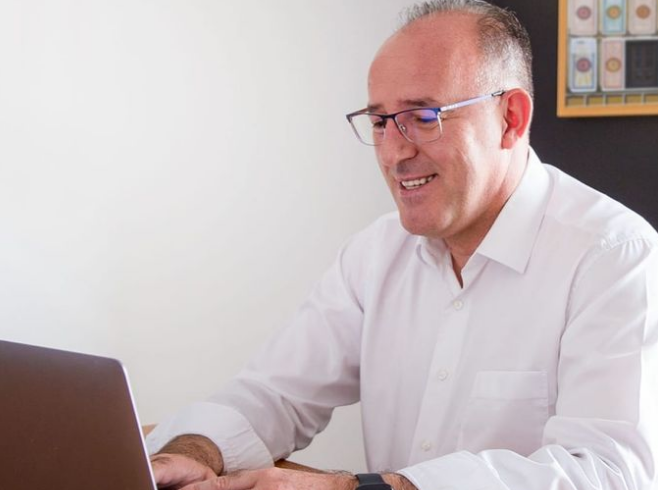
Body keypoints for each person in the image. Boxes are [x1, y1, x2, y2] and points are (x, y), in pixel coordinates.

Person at [146, 1, 658, 489]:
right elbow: (273, 393)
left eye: (425, 116)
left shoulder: (614, 258)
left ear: (511, 119)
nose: (393, 153)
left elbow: (609, 473)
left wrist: (361, 488)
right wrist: (192, 453)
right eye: (379, 121)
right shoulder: (374, 254)